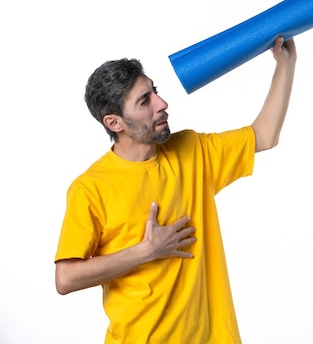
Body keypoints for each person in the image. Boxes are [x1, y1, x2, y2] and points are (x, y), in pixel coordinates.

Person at [54, 36, 297, 344]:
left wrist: (285, 65)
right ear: (114, 122)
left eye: (154, 91)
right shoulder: (91, 188)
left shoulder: (192, 150)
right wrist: (145, 251)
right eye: (145, 101)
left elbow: (264, 136)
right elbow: (66, 278)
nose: (162, 104)